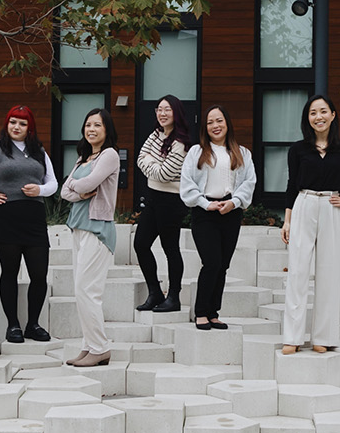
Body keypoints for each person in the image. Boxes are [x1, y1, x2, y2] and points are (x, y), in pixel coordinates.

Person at [0, 105, 58, 344]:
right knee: (10, 272)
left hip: (34, 217)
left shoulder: (39, 151)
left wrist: (40, 190)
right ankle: (13, 325)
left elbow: (53, 183)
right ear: (7, 124)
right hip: (6, 216)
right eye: (13, 122)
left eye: (22, 123)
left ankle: (33, 325)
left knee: (39, 274)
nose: (17, 127)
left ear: (30, 127)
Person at [281, 94, 340, 355]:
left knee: (329, 272)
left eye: (323, 111)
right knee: (297, 271)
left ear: (333, 115)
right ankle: (292, 337)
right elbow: (291, 184)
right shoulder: (298, 149)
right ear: (308, 119)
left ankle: (324, 336)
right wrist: (287, 220)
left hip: (331, 206)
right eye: (312, 113)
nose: (318, 117)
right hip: (304, 203)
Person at [179, 105, 256, 331]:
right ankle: (201, 312)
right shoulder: (196, 152)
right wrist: (206, 203)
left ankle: (213, 313)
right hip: (204, 213)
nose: (215, 125)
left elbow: (249, 183)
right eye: (210, 122)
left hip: (231, 213)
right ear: (205, 127)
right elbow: (187, 184)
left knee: (222, 265)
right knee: (211, 262)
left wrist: (233, 203)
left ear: (227, 123)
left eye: (219, 120)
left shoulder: (242, 152)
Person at [61, 108, 121, 367]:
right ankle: (89, 345)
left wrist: (76, 187)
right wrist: (77, 189)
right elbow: (64, 192)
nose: (91, 129)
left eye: (97, 125)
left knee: (88, 290)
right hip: (78, 227)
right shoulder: (83, 158)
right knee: (80, 290)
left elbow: (84, 185)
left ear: (106, 129)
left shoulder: (109, 155)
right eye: (88, 125)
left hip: (98, 230)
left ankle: (100, 348)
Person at [134, 95, 191, 313]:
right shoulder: (156, 134)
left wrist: (152, 164)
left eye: (167, 109)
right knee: (140, 244)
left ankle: (174, 297)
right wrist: (154, 166)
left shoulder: (182, 143)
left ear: (176, 113)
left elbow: (165, 174)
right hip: (153, 197)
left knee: (170, 248)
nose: (162, 113)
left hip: (171, 201)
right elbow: (140, 158)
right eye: (159, 109)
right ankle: (155, 292)